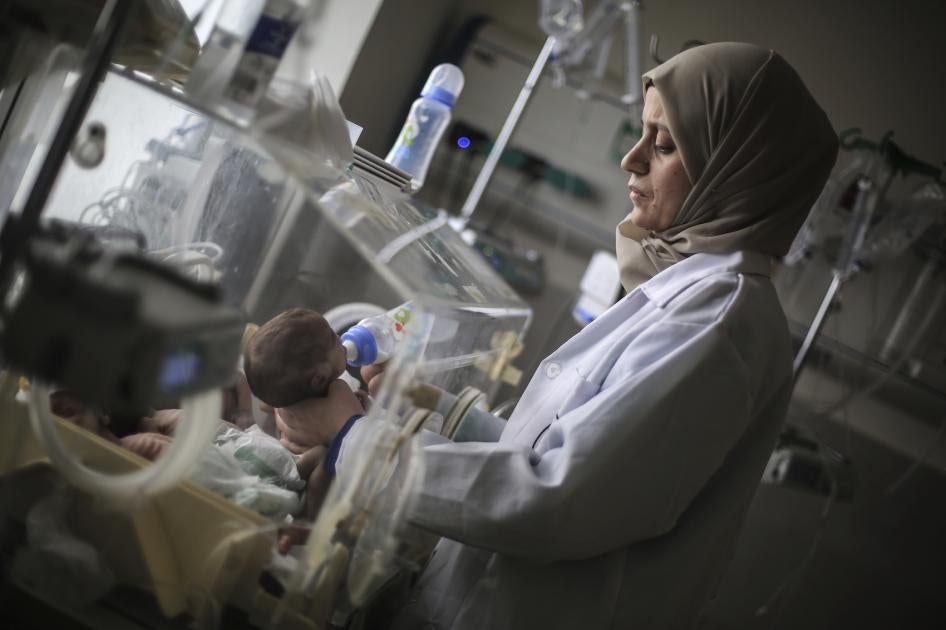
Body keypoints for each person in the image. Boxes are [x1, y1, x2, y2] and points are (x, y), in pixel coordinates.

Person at [272, 42, 838, 629]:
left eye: (665, 143)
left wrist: (351, 438)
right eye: (641, 133)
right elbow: (563, 457)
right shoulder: (687, 294)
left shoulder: (718, 323)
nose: (633, 159)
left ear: (736, 171)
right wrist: (430, 409)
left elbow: (554, 501)